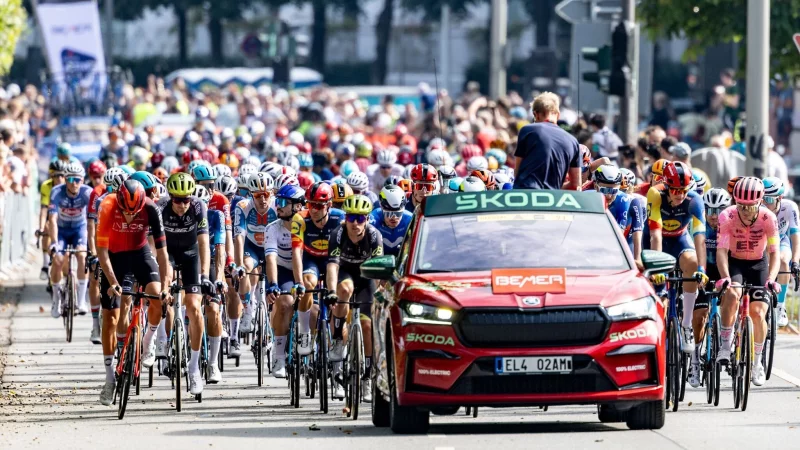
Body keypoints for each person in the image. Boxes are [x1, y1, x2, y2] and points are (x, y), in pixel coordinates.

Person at [95, 179, 169, 406]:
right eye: (125, 211)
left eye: (134, 212)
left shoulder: (151, 208)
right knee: (111, 316)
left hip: (140, 254)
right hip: (114, 257)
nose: (129, 216)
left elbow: (162, 253)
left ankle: (148, 341)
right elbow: (102, 251)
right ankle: (110, 379)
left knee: (156, 296)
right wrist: (112, 282)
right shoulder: (107, 206)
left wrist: (166, 287)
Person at [715, 177, 780, 386]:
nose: (745, 211)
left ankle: (757, 361)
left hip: (758, 264)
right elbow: (721, 251)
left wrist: (771, 279)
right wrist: (725, 277)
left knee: (758, 313)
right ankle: (726, 345)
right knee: (732, 294)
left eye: (750, 207)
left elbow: (774, 253)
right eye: (741, 205)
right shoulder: (727, 215)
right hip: (735, 263)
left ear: (760, 202)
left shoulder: (768, 218)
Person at [157, 172, 216, 394]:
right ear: (170, 197)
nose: (182, 205)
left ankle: (194, 368)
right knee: (165, 294)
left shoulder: (198, 206)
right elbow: (156, 247)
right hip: (168, 254)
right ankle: (164, 340)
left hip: (192, 255)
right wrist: (163, 281)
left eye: (186, 200)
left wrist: (204, 275)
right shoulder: (161, 207)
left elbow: (204, 243)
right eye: (177, 200)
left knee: (194, 307)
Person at [323, 194, 383, 401]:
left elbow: (378, 268)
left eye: (360, 218)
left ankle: (367, 376)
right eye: (351, 218)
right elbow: (332, 266)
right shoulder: (337, 234)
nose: (355, 223)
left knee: (367, 325)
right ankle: (338, 339)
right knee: (344, 290)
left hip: (366, 277)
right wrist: (331, 291)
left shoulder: (374, 235)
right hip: (345, 273)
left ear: (367, 219)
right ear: (345, 218)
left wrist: (381, 294)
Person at [647, 161, 707, 354]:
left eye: (683, 190)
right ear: (666, 186)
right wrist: (657, 269)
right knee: (656, 289)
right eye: (674, 190)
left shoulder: (695, 200)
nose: (679, 195)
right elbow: (655, 235)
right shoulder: (655, 194)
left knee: (692, 263)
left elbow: (699, 237)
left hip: (680, 239)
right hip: (657, 241)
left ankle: (686, 324)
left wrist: (702, 269)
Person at [688, 188, 731, 388]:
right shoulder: (698, 225)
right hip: (704, 271)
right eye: (710, 210)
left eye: (719, 210)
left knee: (732, 302)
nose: (714, 216)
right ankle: (695, 359)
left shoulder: (732, 224)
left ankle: (730, 341)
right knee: (699, 316)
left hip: (724, 272)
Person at [264, 185, 307, 378]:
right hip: (283, 271)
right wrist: (273, 284)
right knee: (284, 303)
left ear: (297, 206)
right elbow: (271, 259)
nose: (277, 206)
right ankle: (279, 356)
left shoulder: (307, 224)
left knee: (315, 309)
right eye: (277, 202)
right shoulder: (272, 228)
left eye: (283, 202)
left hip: (305, 269)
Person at [47, 163, 93, 317]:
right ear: (65, 180)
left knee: (82, 256)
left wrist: (92, 243)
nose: (74, 183)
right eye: (71, 179)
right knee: (58, 260)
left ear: (83, 180)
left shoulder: (87, 192)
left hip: (79, 229)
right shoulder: (56, 191)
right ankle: (56, 299)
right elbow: (52, 220)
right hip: (61, 230)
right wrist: (54, 242)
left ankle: (81, 300)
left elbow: (93, 220)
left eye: (78, 180)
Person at [513, 92, 580, 190]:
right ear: (558, 115)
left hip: (525, 194)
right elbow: (576, 185)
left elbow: (517, 172)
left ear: (535, 114)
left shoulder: (527, 130)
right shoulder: (573, 141)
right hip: (552, 197)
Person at [761, 177, 799, 327]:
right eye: (763, 198)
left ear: (780, 198)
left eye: (769, 199)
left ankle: (780, 307)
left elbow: (795, 237)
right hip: (762, 242)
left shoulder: (789, 207)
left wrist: (795, 262)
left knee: (783, 262)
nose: (765, 203)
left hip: (781, 240)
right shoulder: (759, 207)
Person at [38, 160, 65, 279]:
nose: (59, 178)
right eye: (56, 175)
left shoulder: (69, 185)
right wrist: (41, 227)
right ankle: (45, 264)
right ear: (51, 175)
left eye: (62, 175)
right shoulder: (46, 186)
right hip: (52, 214)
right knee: (46, 228)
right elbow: (44, 209)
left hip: (66, 216)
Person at [369, 185, 413, 256]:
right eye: (388, 213)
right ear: (381, 208)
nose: (393, 217)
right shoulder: (374, 217)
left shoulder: (410, 219)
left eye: (398, 213)